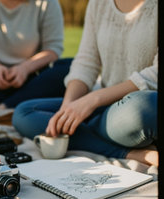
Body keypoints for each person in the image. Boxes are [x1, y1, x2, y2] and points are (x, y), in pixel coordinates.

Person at [12, 0, 158, 166]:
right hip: (107, 111)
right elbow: (86, 62)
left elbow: (156, 74)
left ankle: (90, 132)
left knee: (145, 107)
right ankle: (129, 152)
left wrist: (92, 100)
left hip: (134, 109)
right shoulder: (98, 3)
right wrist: (68, 109)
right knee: (24, 112)